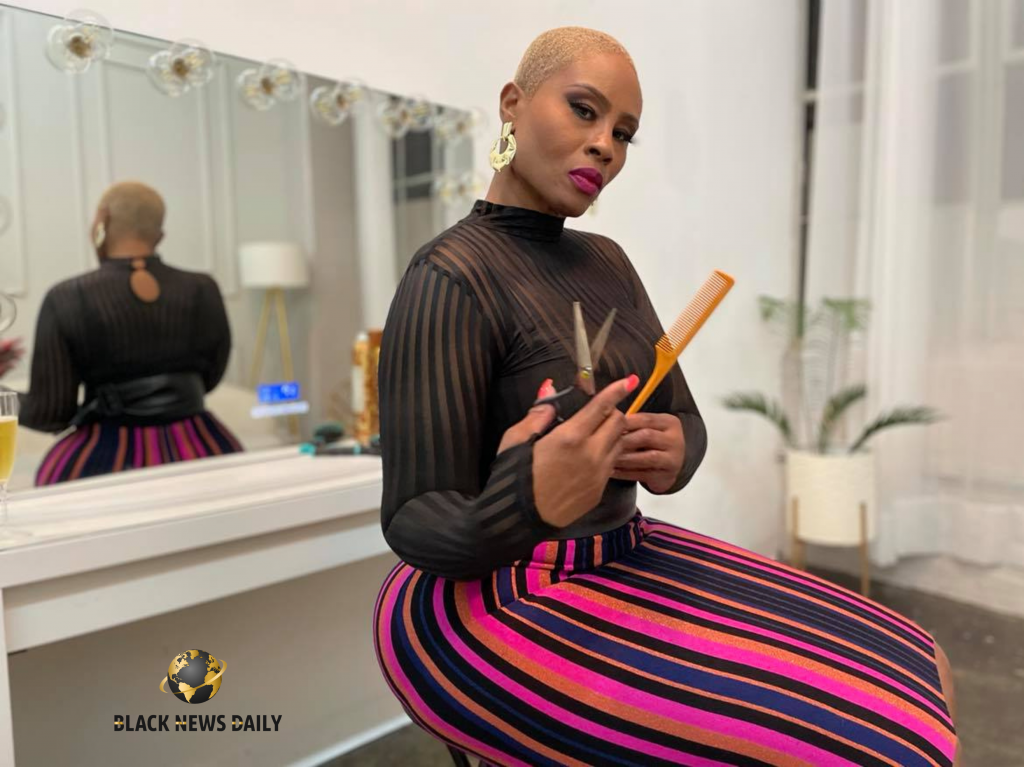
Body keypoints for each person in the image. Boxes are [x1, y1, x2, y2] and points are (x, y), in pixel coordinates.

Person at [373, 26, 959, 767]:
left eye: (623, 133)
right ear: (513, 103)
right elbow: (414, 520)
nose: (605, 146)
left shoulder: (607, 261)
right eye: (584, 110)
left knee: (925, 658)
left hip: (623, 550)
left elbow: (681, 414)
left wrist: (677, 449)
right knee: (897, 748)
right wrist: (526, 500)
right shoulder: (450, 275)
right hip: (493, 600)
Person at [17, 181, 242, 485]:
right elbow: (211, 378)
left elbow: (49, 414)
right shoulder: (204, 288)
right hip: (203, 448)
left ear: (101, 220)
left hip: (106, 460)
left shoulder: (66, 297)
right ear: (159, 235)